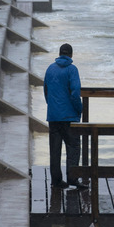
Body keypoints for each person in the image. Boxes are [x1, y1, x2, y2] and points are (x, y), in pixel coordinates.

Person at [44, 43, 87, 190]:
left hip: (53, 116)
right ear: (71, 55)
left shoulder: (50, 68)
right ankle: (73, 179)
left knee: (55, 149)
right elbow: (75, 93)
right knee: (73, 147)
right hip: (69, 117)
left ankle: (56, 181)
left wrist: (52, 108)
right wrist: (79, 109)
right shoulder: (72, 69)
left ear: (59, 53)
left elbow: (46, 91)